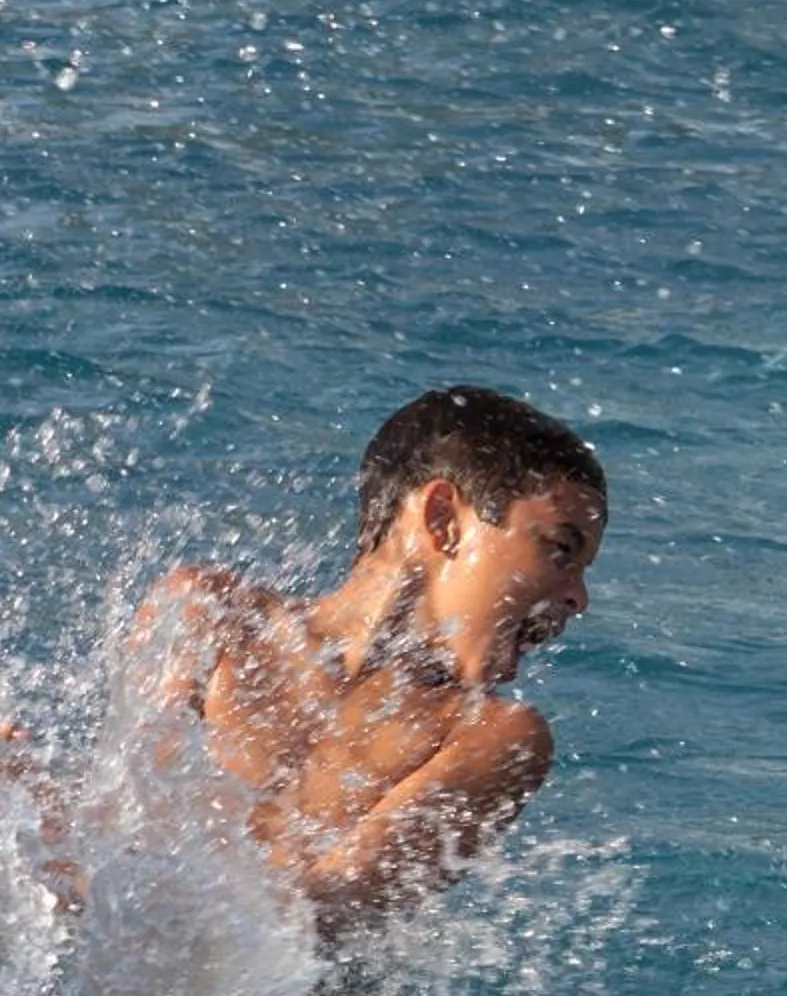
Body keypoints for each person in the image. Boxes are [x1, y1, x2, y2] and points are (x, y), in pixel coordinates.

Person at [99, 384, 608, 944]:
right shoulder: (209, 615)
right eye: (560, 549)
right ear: (443, 519)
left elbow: (321, 921)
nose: (579, 597)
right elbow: (129, 823)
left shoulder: (493, 736)